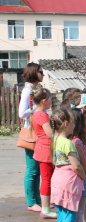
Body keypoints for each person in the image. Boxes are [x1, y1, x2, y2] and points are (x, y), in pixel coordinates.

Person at [50, 109, 86, 222]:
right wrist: (84, 176)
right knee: (69, 216)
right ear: (65, 124)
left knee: (62, 215)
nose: (73, 125)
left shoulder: (55, 139)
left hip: (58, 179)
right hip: (69, 183)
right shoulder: (68, 143)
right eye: (72, 122)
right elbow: (76, 166)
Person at [18, 63, 43, 213]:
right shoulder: (27, 91)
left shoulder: (33, 90)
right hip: (31, 133)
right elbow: (22, 113)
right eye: (41, 72)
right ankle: (31, 201)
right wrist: (36, 107)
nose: (43, 75)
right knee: (32, 169)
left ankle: (38, 199)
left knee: (37, 169)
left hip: (36, 132)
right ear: (34, 73)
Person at [32, 87, 57, 219]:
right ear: (43, 101)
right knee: (46, 179)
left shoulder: (40, 113)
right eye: (50, 99)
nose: (51, 101)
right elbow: (50, 134)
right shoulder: (41, 115)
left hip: (44, 149)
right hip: (45, 150)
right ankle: (45, 209)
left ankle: (47, 205)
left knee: (47, 178)